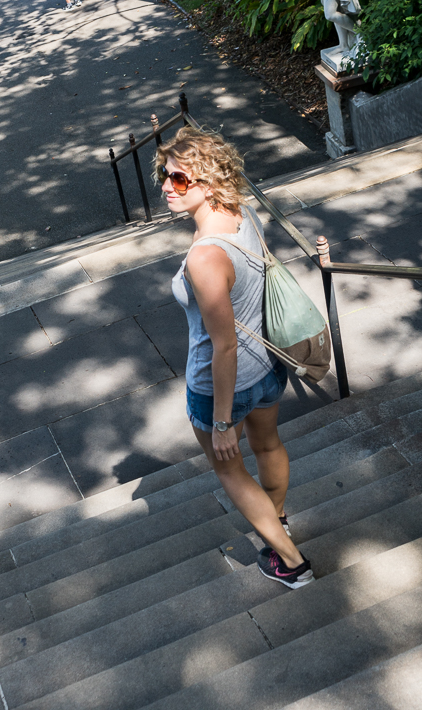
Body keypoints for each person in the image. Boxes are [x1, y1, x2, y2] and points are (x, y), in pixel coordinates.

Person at [157, 126, 315, 589]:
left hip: (220, 387)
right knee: (268, 445)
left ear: (208, 182)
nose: (167, 186)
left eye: (179, 178)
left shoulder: (205, 258)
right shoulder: (243, 213)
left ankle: (292, 563)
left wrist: (223, 421)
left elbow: (223, 345)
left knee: (230, 469)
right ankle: (277, 520)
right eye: (165, 175)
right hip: (268, 367)